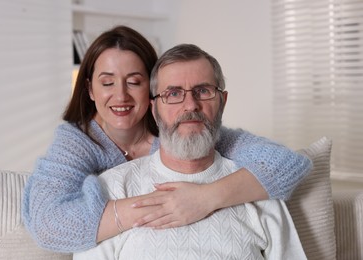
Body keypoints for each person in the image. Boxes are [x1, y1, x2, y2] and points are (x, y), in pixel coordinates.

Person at [22, 25, 312, 253]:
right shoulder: (76, 142)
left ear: (153, 94)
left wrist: (204, 198)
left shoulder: (182, 131)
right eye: (107, 82)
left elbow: (286, 164)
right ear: (90, 89)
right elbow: (49, 225)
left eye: (134, 81)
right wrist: (154, 207)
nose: (120, 95)